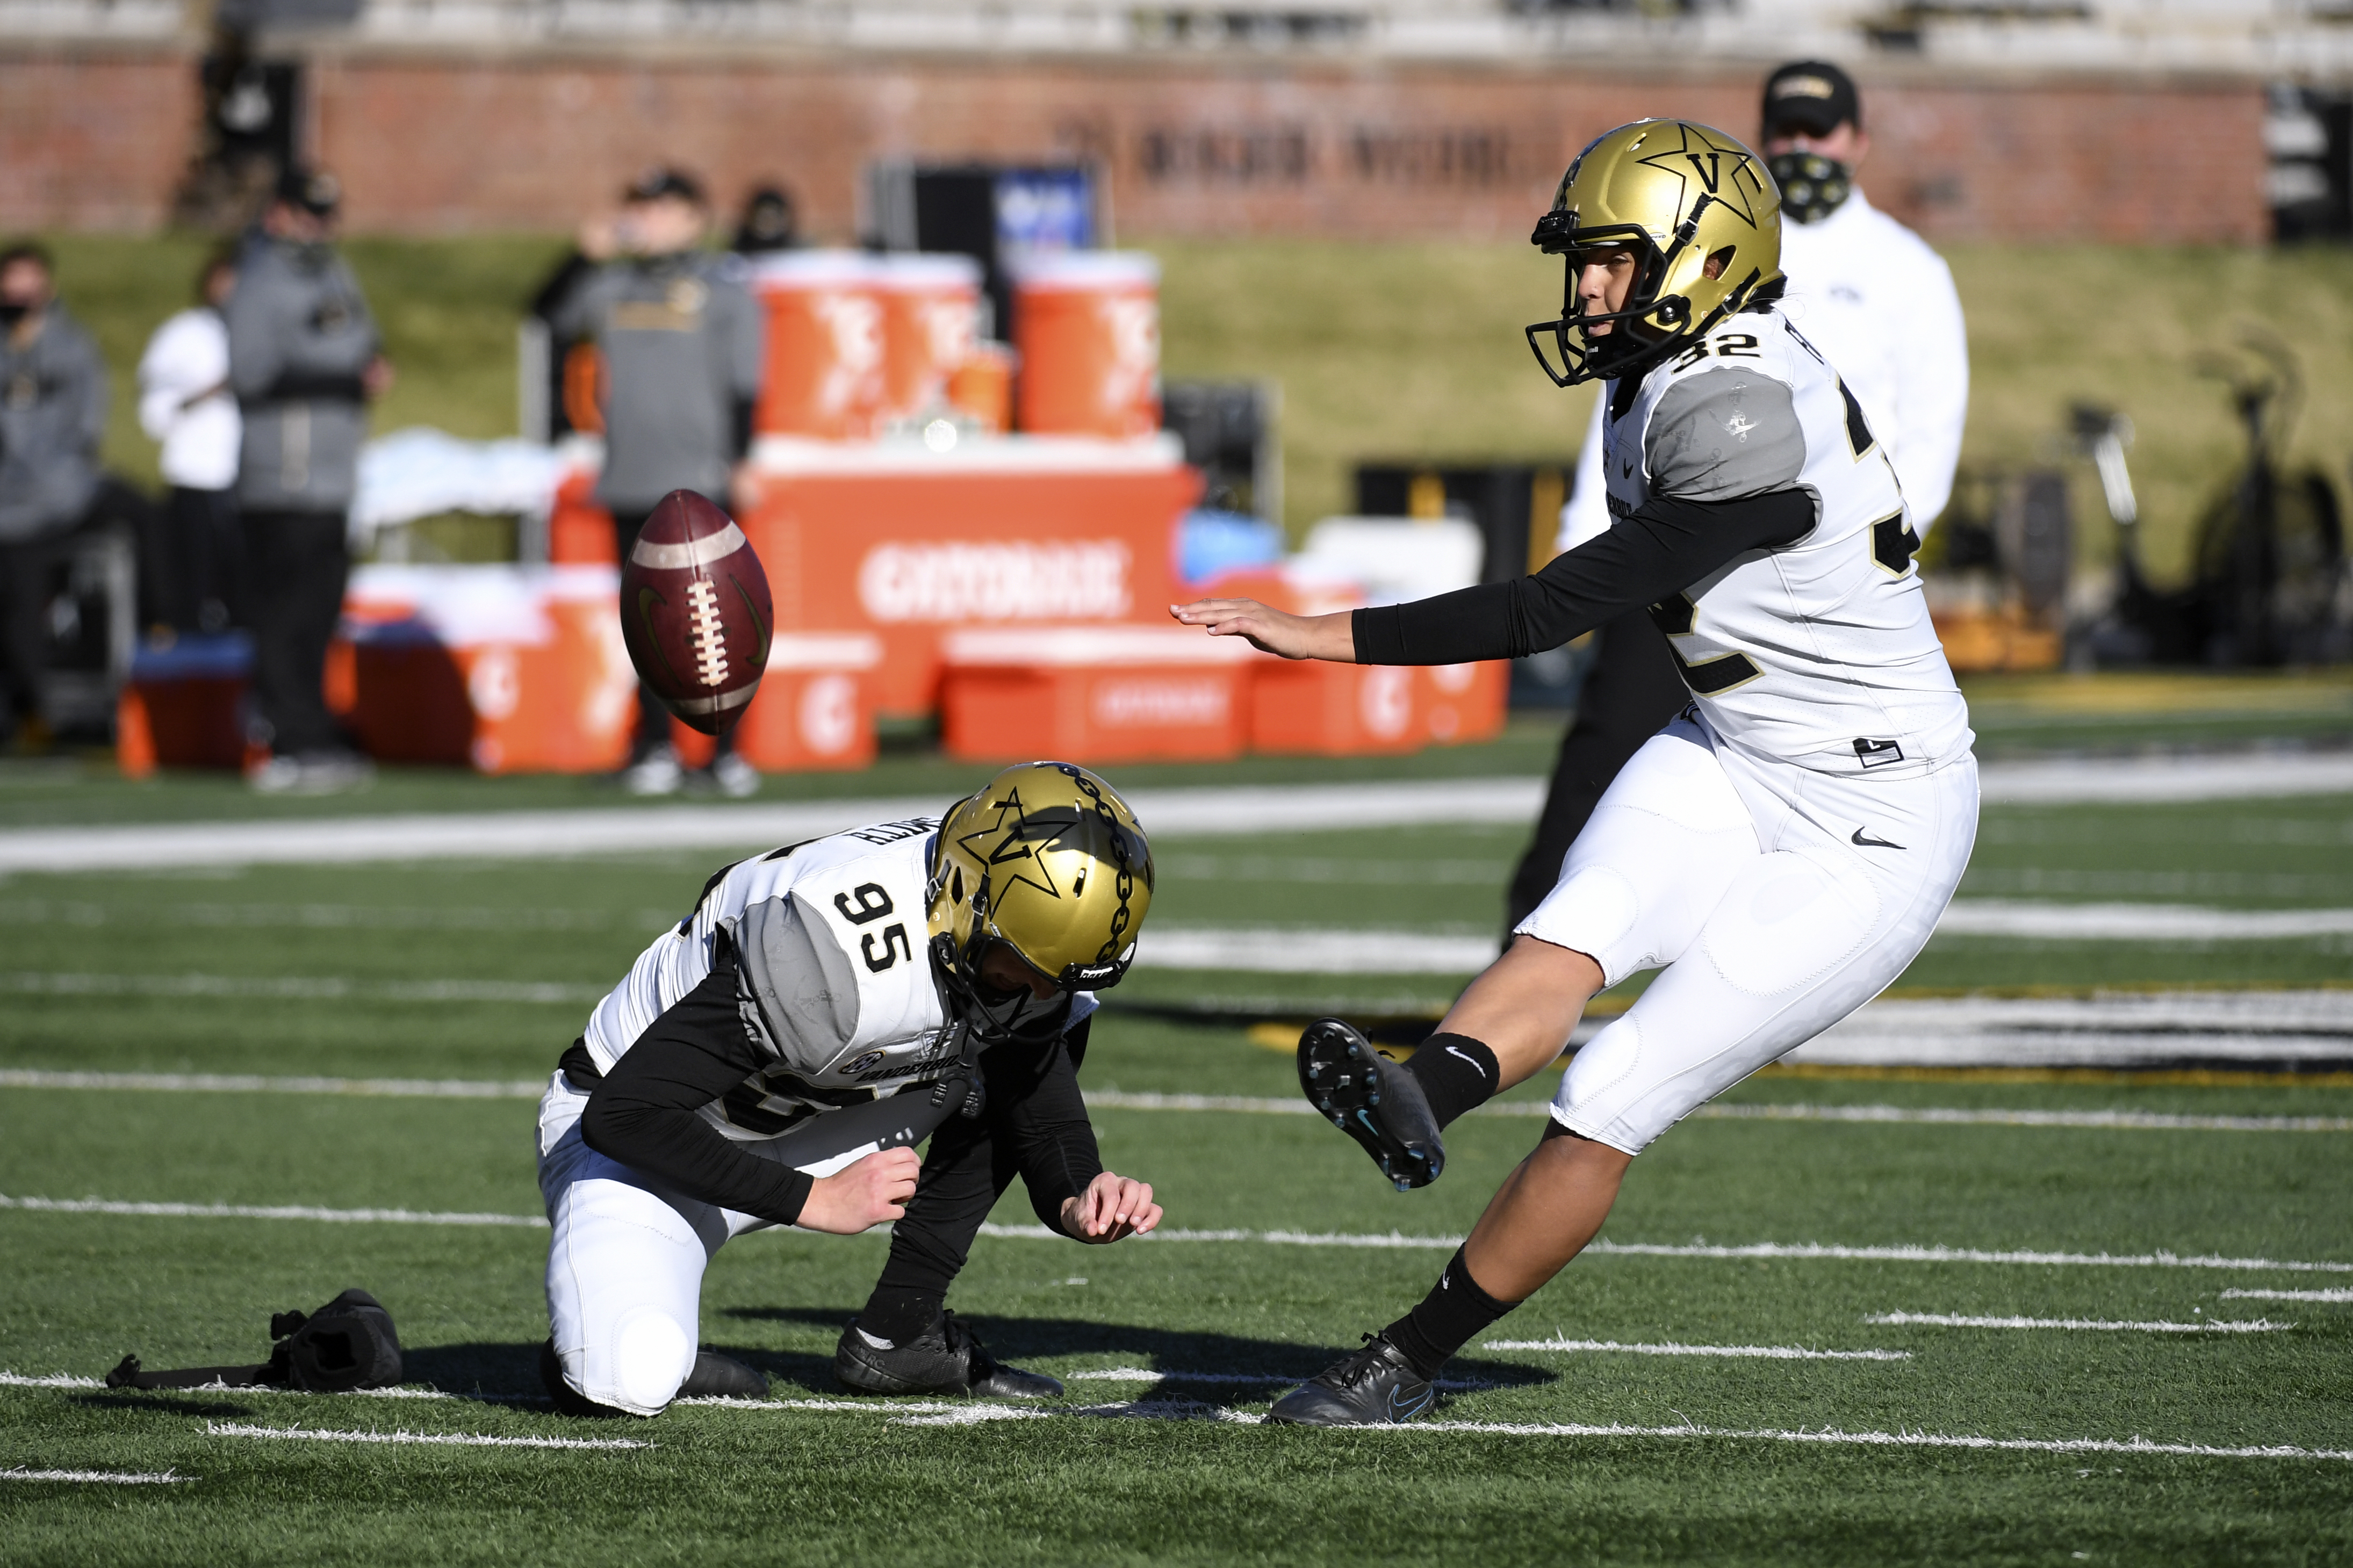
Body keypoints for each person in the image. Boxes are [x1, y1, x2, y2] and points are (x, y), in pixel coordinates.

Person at [1172, 119, 1977, 1425]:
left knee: (1609, 1090)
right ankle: (1417, 1098)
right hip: (1735, 746)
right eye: (1578, 261)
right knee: (1570, 927)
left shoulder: (1736, 410)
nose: (1584, 289)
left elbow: (1551, 612)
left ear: (1702, 261)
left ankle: (1406, 1360)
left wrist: (1318, 634)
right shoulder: (1664, 368)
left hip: (1870, 814)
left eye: (1611, 261)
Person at [538, 761, 1163, 1417]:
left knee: (992, 1050)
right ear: (963, 897)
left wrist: (1077, 1194)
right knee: (627, 1376)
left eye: (1055, 979)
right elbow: (625, 1114)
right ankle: (631, 1326)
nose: (1040, 994)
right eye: (1022, 971)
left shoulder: (1022, 931)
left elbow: (1035, 1102)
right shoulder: (838, 952)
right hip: (638, 1139)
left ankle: (898, 1332)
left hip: (805, 1109)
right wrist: (814, 1199)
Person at [1502, 60, 1970, 932]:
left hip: (1811, 572)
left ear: (1856, 141)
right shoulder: (1694, 244)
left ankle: (1764, 967)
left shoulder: (1905, 269)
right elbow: (1634, 393)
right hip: (1679, 545)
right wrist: (1584, 536)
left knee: (1800, 783)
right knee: (1603, 753)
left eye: (1817, 130)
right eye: (1783, 130)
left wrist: (1872, 549)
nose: (1800, 147)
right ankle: (1531, 953)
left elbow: (1929, 430)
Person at [541, 168, 766, 799]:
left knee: (715, 621)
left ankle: (724, 752)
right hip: (631, 472)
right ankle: (652, 746)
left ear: (694, 218)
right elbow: (545, 316)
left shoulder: (722, 289)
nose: (649, 221)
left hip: (699, 474)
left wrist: (743, 457)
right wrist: (579, 258)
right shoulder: (610, 285)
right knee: (647, 626)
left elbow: (746, 382)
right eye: (640, 207)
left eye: (663, 209)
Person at [227, 167, 391, 793]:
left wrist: (361, 372)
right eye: (307, 213)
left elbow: (364, 346)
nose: (318, 226)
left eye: (326, 214)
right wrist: (342, 379)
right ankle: (282, 735)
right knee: (282, 614)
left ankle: (312, 727)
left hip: (332, 475)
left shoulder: (335, 273)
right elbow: (252, 374)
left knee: (321, 613)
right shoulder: (259, 280)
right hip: (280, 475)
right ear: (279, 213)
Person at [0, 243, 150, 756]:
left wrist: (53, 485)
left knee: (143, 514)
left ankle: (167, 636)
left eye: (29, 285)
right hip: (9, 502)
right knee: (18, 595)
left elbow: (85, 430)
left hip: (60, 492)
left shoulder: (71, 347)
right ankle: (32, 708)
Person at [138, 247, 244, 635]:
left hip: (250, 475)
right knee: (193, 576)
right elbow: (156, 410)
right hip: (195, 473)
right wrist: (210, 392)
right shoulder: (181, 334)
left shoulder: (262, 332)